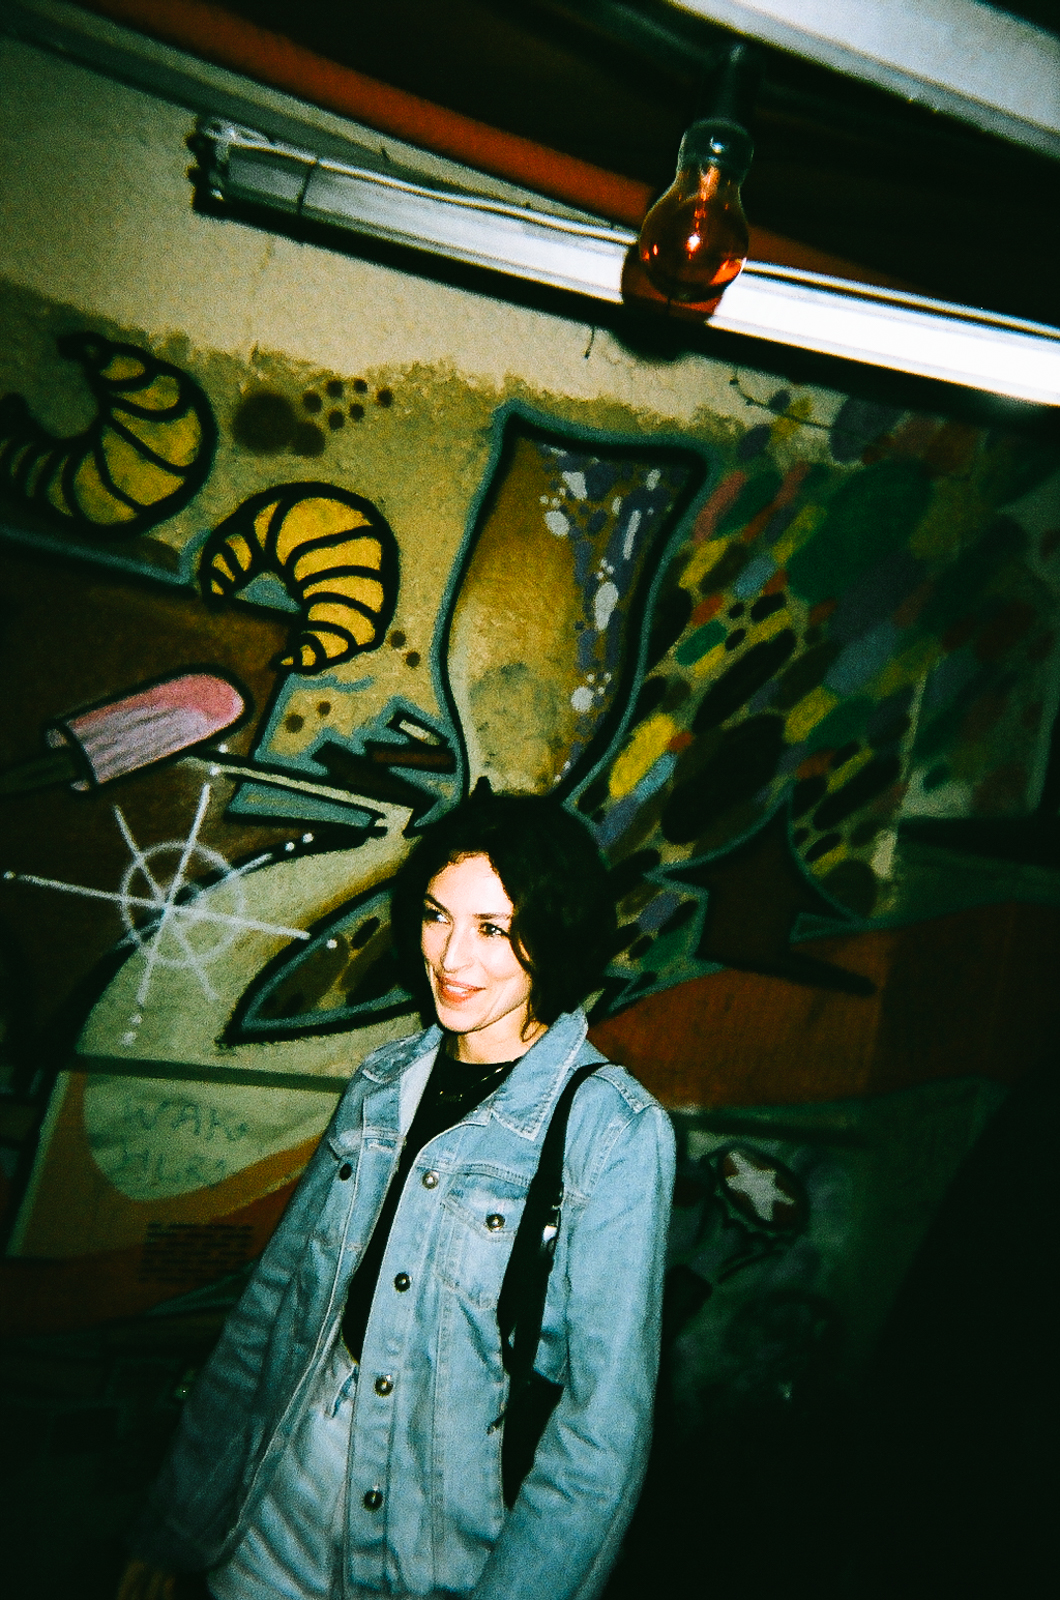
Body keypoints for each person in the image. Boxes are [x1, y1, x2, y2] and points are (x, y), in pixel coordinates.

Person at [118, 790, 676, 1600]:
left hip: (431, 1554)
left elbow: (601, 1439)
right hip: (275, 1502)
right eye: (437, 916)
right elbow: (270, 1312)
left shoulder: (612, 1132)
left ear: (553, 935)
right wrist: (175, 1522)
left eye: (493, 929)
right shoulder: (384, 1084)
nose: (451, 957)